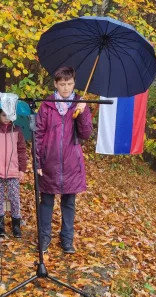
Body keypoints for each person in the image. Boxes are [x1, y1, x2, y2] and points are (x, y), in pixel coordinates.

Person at [35, 66, 93, 254]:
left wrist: (83, 112)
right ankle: (44, 238)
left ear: (74, 84)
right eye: (62, 84)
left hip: (71, 163)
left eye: (69, 84)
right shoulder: (46, 105)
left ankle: (67, 240)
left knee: (69, 203)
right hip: (48, 162)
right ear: (55, 84)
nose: (66, 88)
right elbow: (38, 135)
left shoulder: (80, 103)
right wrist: (37, 162)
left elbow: (86, 133)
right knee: (46, 202)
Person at [0, 109, 27, 238]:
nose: (7, 117)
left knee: (14, 197)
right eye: (3, 115)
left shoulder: (17, 130)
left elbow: (22, 150)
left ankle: (16, 225)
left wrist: (22, 169)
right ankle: (0, 226)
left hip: (13, 169)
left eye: (9, 115)